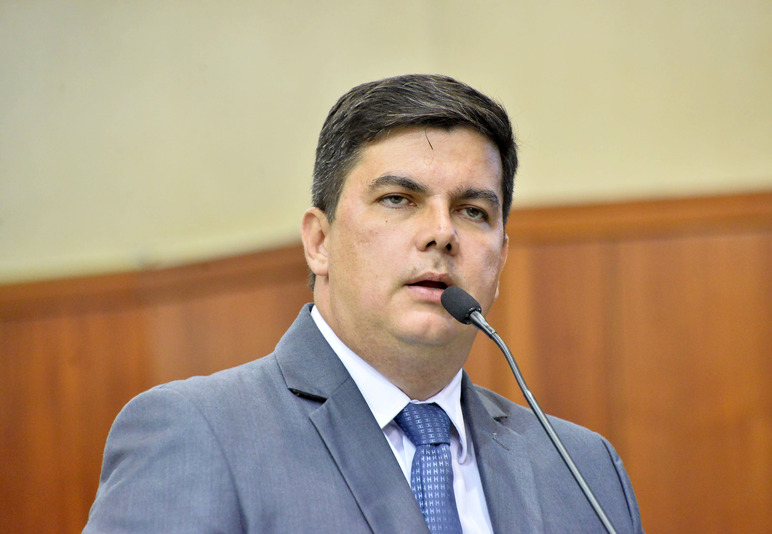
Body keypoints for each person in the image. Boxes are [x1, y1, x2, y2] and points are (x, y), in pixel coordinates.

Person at [84, 74, 644, 533]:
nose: (442, 233)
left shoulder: (584, 470)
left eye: (473, 211)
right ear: (319, 242)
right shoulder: (198, 435)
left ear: (500, 257)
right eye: (398, 199)